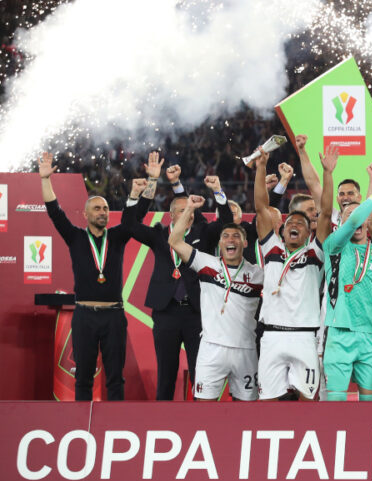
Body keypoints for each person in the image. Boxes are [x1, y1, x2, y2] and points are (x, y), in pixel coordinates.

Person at [39, 151, 146, 400]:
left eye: (106, 208)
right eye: (97, 208)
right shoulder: (75, 237)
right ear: (86, 215)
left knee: (116, 379)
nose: (102, 212)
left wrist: (143, 190)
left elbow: (135, 219)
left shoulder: (117, 237)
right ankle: (81, 430)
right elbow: (55, 212)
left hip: (114, 316)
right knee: (83, 378)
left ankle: (114, 429)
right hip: (84, 315)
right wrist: (45, 180)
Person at [126, 162, 231, 401]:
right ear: (171, 214)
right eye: (183, 211)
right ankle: (161, 424)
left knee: (199, 374)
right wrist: (136, 196)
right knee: (166, 374)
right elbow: (130, 225)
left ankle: (199, 422)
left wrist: (218, 192)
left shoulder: (202, 234)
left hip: (196, 313)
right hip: (166, 312)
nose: (188, 215)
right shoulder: (158, 234)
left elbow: (225, 222)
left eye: (191, 211)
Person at [253, 146, 334, 401]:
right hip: (272, 336)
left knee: (309, 400)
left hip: (304, 336)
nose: (295, 225)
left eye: (301, 223)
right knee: (268, 401)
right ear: (283, 231)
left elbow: (327, 214)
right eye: (290, 223)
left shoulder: (315, 253)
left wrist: (328, 173)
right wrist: (260, 168)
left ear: (309, 232)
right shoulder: (271, 247)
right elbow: (261, 209)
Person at [168, 196, 263, 401]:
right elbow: (174, 241)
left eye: (236, 236)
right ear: (219, 242)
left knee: (247, 412)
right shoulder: (206, 263)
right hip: (211, 349)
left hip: (246, 350)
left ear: (245, 243)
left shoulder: (258, 274)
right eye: (226, 236)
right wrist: (189, 209)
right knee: (203, 408)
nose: (231, 239)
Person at [320, 175, 372, 402]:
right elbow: (353, 222)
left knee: (369, 406)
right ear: (341, 223)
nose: (356, 220)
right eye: (349, 216)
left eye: (361, 217)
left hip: (371, 333)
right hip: (339, 333)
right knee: (335, 404)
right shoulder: (334, 246)